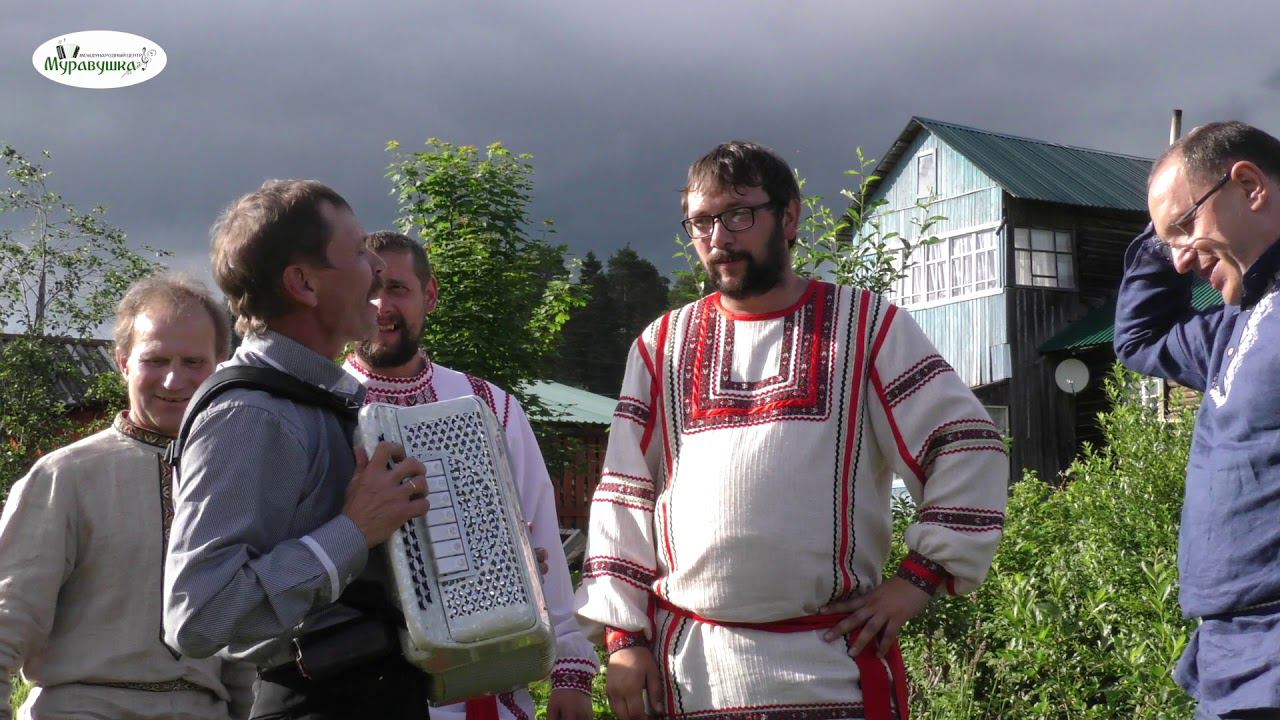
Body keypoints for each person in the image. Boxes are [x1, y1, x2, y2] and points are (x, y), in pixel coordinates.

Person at [574, 141, 1009, 720]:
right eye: (702, 222)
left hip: (833, 669)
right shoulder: (662, 346)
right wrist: (624, 640)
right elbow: (623, 495)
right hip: (693, 672)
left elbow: (968, 444)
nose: (719, 238)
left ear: (790, 216)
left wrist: (920, 577)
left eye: (739, 214)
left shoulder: (866, 327)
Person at [162, 180, 431, 719]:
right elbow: (196, 616)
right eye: (358, 251)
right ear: (304, 283)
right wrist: (353, 530)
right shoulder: (248, 412)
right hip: (316, 700)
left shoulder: (322, 399)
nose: (378, 267)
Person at [342, 230, 597, 720]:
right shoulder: (322, 407)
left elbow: (542, 532)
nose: (381, 305)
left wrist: (570, 668)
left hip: (487, 690)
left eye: (397, 288)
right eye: (368, 288)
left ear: (430, 295)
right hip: (360, 690)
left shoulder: (489, 405)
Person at [0, 273, 253, 719]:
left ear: (220, 363)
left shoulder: (235, 479)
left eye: (193, 362)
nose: (174, 380)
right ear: (123, 363)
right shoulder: (65, 476)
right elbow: (8, 618)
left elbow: (245, 649)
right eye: (155, 360)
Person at [1114, 121, 1280, 719]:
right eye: (1169, 243)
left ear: (1251, 187)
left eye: (1186, 227)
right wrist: (1166, 225)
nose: (1180, 261)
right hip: (1227, 655)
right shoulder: (1236, 320)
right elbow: (1139, 338)